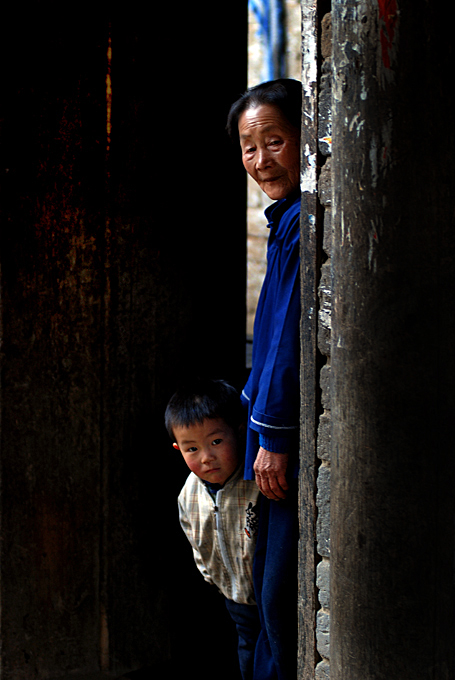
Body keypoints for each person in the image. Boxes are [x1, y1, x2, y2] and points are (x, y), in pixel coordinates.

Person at [226, 79, 302, 680]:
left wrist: (272, 434)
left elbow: (284, 342)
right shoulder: (286, 222)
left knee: (277, 596)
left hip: (283, 442)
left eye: (274, 141)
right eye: (249, 148)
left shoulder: (304, 224)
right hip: (265, 436)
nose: (261, 160)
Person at [165, 378, 262, 680]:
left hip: (270, 598)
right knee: (247, 656)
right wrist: (213, 578)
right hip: (235, 599)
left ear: (239, 431)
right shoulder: (188, 494)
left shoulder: (258, 484)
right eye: (191, 448)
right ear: (178, 449)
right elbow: (196, 540)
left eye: (216, 442)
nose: (206, 457)